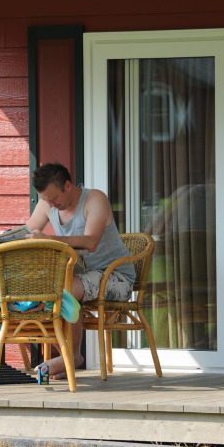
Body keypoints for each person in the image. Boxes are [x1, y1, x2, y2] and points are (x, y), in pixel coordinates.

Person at [25, 162, 136, 380]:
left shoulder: (95, 199)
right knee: (40, 294)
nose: (51, 205)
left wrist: (50, 239)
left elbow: (91, 242)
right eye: (45, 200)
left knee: (64, 290)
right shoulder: (48, 204)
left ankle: (72, 356)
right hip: (77, 277)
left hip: (115, 277)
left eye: (53, 198)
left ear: (67, 185)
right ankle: (67, 355)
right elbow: (26, 233)